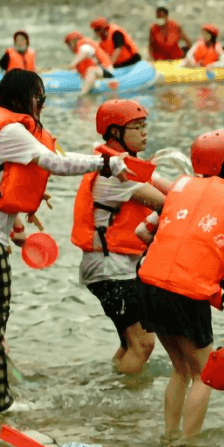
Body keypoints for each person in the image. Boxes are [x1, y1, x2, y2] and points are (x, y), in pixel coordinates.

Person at [0, 69, 125, 412]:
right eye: (39, 98)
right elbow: (54, 161)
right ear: (23, 98)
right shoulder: (12, 130)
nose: (41, 106)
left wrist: (12, 221)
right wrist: (104, 163)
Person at [137, 129, 224, 439]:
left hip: (150, 286)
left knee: (181, 369)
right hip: (186, 292)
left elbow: (142, 231)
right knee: (204, 374)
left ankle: (169, 436)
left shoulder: (179, 188)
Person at [71, 100, 174, 374]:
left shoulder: (128, 165)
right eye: (136, 127)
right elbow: (167, 203)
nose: (144, 133)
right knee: (143, 344)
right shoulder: (113, 173)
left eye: (145, 126)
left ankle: (115, 384)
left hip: (114, 266)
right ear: (115, 132)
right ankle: (125, 404)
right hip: (110, 267)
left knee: (130, 343)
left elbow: (174, 189)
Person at [64, 31, 113, 96]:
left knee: (91, 70)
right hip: (100, 72)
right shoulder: (81, 47)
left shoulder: (84, 45)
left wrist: (73, 64)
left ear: (74, 41)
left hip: (107, 72)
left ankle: (82, 94)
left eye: (69, 44)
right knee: (89, 70)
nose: (69, 48)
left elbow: (85, 51)